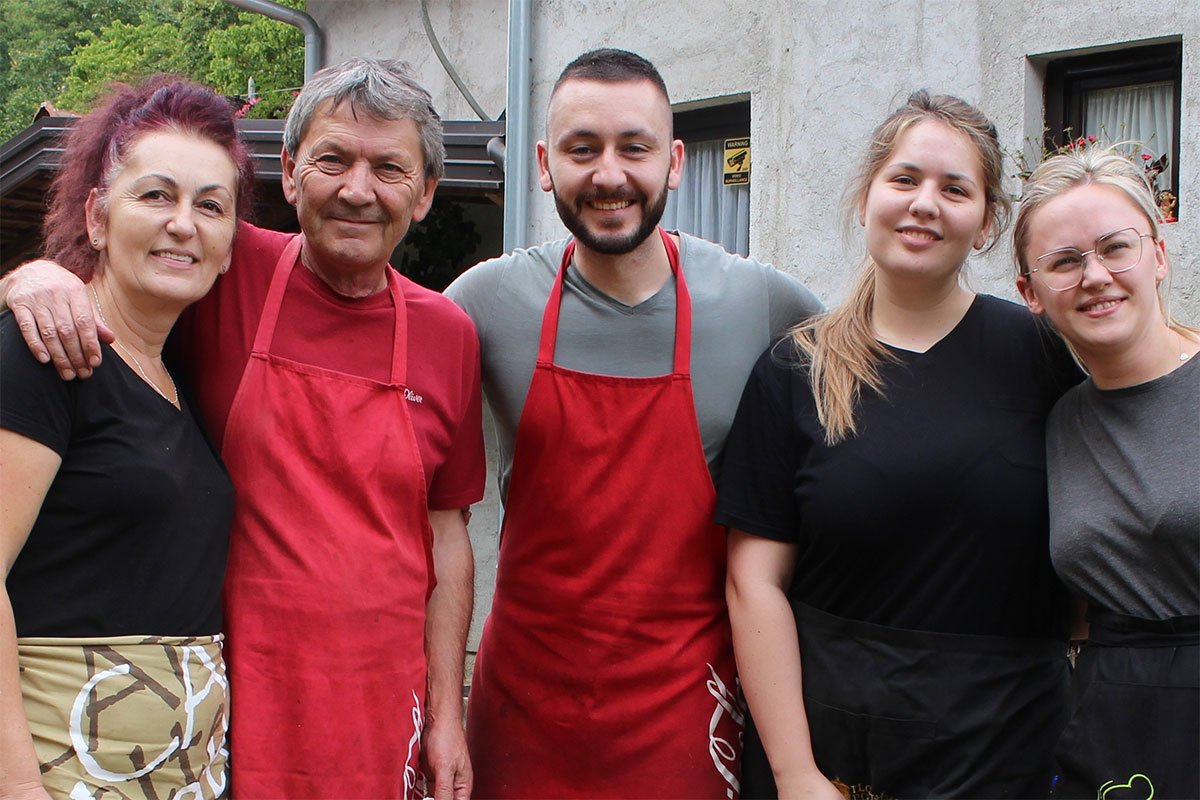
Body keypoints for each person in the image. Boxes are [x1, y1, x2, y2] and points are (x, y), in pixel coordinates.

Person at [0, 59, 483, 800]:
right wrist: (31, 279)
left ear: (424, 195)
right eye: (332, 160)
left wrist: (449, 711)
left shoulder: (449, 332)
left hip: (370, 707)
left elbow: (445, 531)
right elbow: (124, 265)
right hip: (229, 707)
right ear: (290, 175)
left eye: (389, 168)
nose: (358, 190)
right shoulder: (226, 269)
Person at [445, 48, 823, 798]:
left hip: (687, 715)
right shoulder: (483, 304)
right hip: (522, 716)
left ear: (675, 162)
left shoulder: (762, 304)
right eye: (583, 150)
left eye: (635, 148)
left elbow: (873, 423)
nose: (609, 175)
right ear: (546, 164)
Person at [715, 91, 1081, 799]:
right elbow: (753, 584)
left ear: (986, 225)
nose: (925, 204)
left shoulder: (1042, 358)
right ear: (866, 199)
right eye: (905, 180)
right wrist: (795, 774)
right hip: (839, 761)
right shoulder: (796, 370)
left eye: (955, 189)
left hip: (1009, 755)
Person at [1, 76, 252, 798]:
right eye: (156, 195)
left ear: (232, 243)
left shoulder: (182, 376)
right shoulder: (44, 353)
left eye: (211, 206)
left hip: (177, 777)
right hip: (63, 770)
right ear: (98, 216)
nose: (184, 223)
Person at [1014, 145, 1199, 800]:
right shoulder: (1062, 420)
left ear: (1158, 254)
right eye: (1065, 261)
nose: (1094, 276)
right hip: (1115, 733)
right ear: (1030, 293)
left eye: (1115, 247)